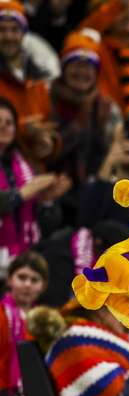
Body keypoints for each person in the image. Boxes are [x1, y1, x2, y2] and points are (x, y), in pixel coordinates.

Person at [46, 28, 121, 201]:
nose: (82, 72)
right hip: (50, 188)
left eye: (88, 67)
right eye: (76, 65)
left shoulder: (107, 107)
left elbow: (113, 152)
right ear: (63, 68)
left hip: (95, 190)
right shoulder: (45, 98)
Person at [0, 98, 69, 275]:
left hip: (26, 258)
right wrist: (26, 192)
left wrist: (47, 201)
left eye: (9, 122)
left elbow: (46, 226)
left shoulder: (24, 162)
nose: (4, 127)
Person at [0, 0, 56, 159]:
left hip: (32, 170)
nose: (8, 36)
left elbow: (50, 126)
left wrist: (49, 144)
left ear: (23, 33)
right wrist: (24, 130)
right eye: (2, 30)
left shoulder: (38, 81)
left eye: (14, 29)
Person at [1, 251, 48, 391]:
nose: (27, 284)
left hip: (34, 395)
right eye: (22, 277)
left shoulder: (45, 321)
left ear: (43, 286)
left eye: (34, 280)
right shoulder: (2, 314)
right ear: (9, 279)